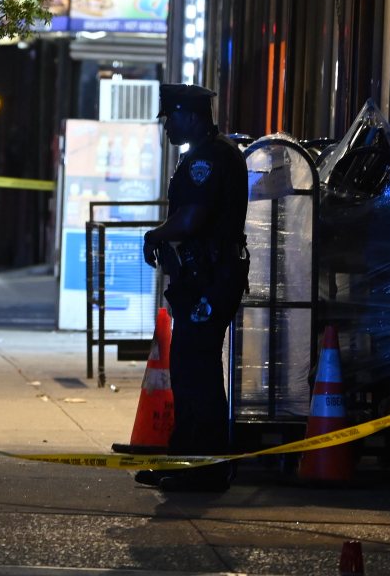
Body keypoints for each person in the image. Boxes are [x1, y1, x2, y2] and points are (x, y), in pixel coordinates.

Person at [136, 84, 250, 492]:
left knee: (196, 370)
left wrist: (155, 235)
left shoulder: (209, 159)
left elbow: (191, 219)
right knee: (189, 368)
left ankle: (203, 467)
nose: (167, 125)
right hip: (203, 277)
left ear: (192, 115)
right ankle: (184, 461)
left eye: (172, 117)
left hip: (211, 278)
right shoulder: (207, 154)